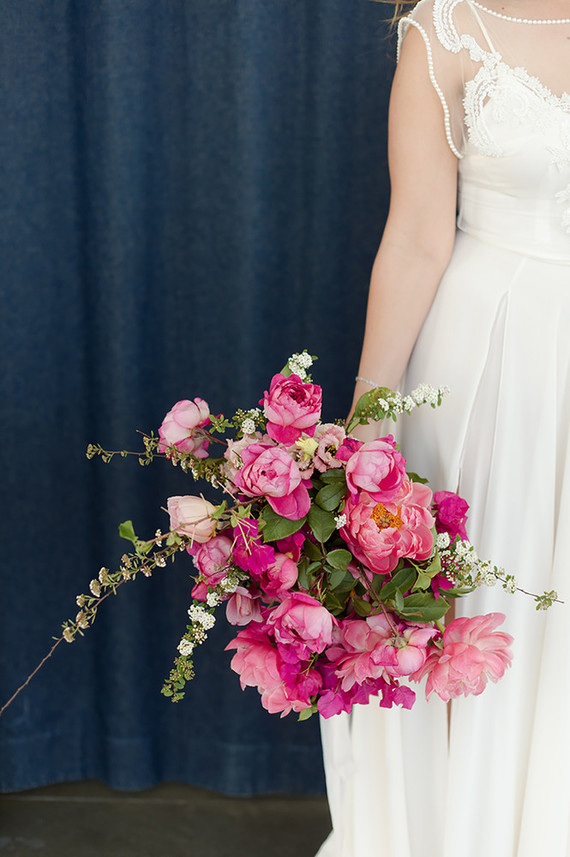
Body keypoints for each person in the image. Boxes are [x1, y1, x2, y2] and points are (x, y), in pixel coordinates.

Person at [316, 1, 570, 855]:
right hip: (489, 371)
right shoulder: (444, 26)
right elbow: (419, 237)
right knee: (478, 612)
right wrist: (361, 430)